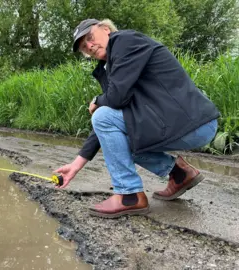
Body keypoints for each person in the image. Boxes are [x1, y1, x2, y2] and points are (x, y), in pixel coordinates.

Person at [54, 18, 220, 218]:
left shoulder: (125, 42)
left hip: (192, 121)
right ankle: (179, 174)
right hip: (176, 123)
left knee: (104, 116)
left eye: (90, 38)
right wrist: (76, 165)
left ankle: (129, 195)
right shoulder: (110, 66)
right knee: (114, 137)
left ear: (106, 29)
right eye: (84, 47)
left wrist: (97, 101)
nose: (89, 46)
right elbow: (109, 126)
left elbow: (113, 101)